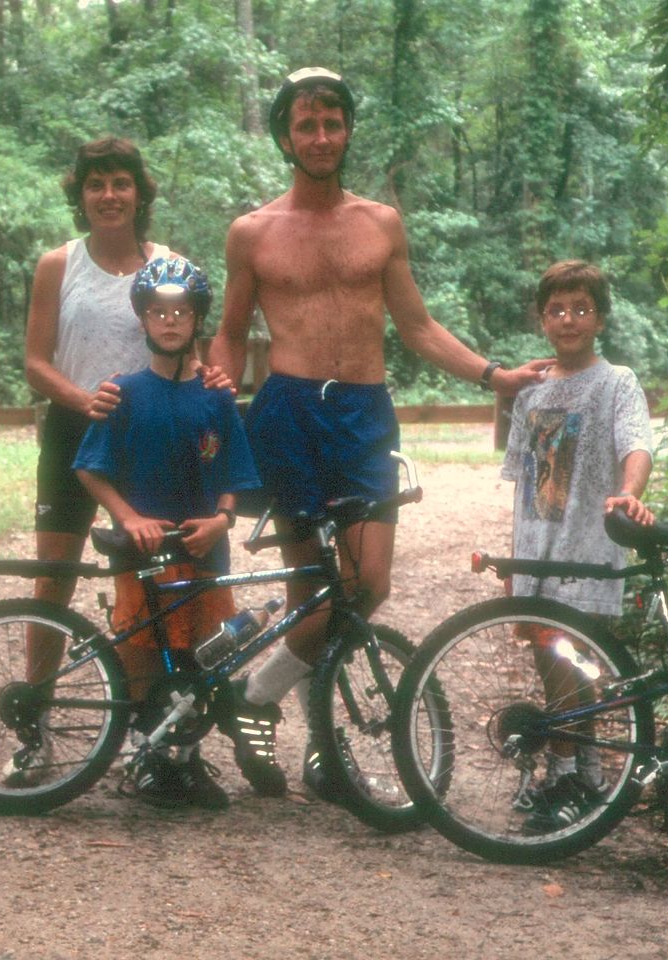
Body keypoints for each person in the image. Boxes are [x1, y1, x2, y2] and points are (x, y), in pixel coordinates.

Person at [207, 67, 552, 798]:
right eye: (306, 124)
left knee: (366, 585)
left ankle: (256, 694)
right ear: (284, 136)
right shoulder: (253, 232)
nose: (322, 136)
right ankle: (325, 752)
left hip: (363, 413)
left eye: (333, 122)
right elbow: (230, 334)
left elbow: (418, 325)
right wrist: (212, 405)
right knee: (315, 592)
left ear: (348, 129)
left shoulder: (380, 223)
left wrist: (494, 376)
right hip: (288, 413)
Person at [11, 137, 225, 789]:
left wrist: (210, 388)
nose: (109, 195)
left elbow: (196, 352)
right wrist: (83, 398)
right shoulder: (58, 264)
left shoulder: (170, 264)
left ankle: (153, 736)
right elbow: (35, 360)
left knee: (158, 586)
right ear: (79, 194)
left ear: (140, 193)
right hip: (77, 429)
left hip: (152, 435)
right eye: (96, 184)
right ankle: (34, 729)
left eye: (121, 183)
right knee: (54, 578)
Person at [74, 256, 262, 810]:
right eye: (158, 312)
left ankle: (183, 756)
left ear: (197, 319)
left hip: (204, 547)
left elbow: (234, 470)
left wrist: (223, 518)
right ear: (143, 321)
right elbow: (90, 466)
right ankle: (143, 756)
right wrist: (127, 516)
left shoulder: (215, 395)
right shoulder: (125, 392)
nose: (170, 322)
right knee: (143, 649)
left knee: (203, 654)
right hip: (144, 548)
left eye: (181, 312)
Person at [500, 259, 655, 833]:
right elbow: (522, 482)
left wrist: (628, 495)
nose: (569, 320)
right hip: (539, 548)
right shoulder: (529, 395)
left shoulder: (618, 383)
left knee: (574, 661)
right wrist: (512, 557)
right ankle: (581, 773)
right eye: (557, 310)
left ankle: (567, 775)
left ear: (600, 318)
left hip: (587, 545)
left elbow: (636, 446)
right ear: (542, 319)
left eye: (581, 309)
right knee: (549, 658)